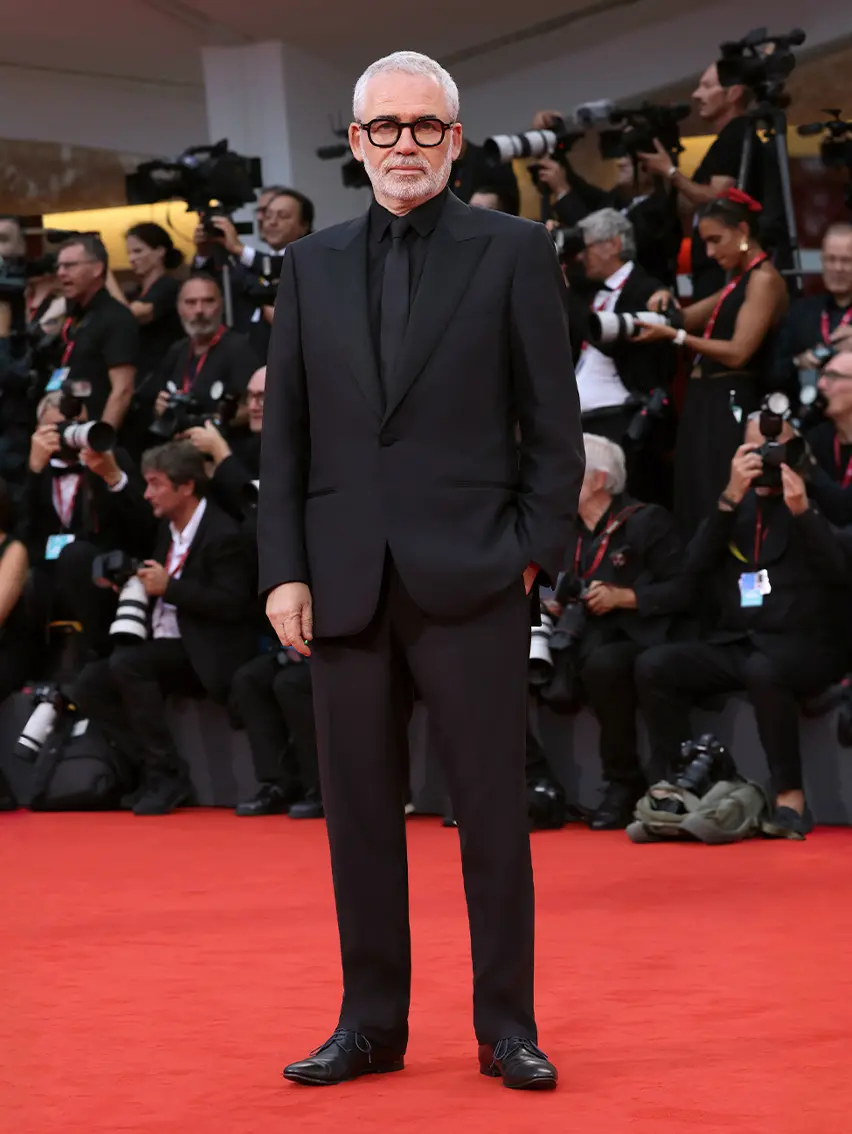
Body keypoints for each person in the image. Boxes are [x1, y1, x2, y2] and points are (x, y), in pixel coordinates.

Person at [259, 50, 582, 1090]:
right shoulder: (306, 267)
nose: (405, 144)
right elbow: (288, 443)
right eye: (385, 128)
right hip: (344, 579)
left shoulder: (515, 251)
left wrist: (531, 555)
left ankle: (506, 1028)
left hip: (474, 577)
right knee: (358, 819)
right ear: (356, 144)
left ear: (455, 138)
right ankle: (370, 1026)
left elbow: (554, 426)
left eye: (424, 127)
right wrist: (284, 570)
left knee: (491, 813)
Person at [635, 417, 852, 839]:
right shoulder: (734, 506)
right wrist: (728, 500)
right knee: (655, 664)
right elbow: (691, 572)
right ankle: (677, 784)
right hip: (740, 641)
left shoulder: (817, 502)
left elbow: (839, 574)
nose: (767, 459)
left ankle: (790, 795)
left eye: (778, 449)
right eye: (756, 451)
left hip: (806, 647)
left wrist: (804, 512)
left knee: (762, 669)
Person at [72, 441, 257, 816]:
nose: (147, 494)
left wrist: (170, 588)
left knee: (129, 664)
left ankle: (169, 774)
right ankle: (149, 770)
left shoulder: (223, 533)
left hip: (207, 653)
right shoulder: (166, 531)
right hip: (166, 645)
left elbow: (234, 603)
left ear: (186, 486)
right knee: (89, 682)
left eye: (155, 484)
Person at [543, 435, 685, 829]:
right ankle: (530, 782)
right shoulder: (563, 531)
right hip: (573, 636)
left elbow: (684, 589)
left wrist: (626, 596)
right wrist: (547, 602)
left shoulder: (647, 521)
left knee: (605, 664)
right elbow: (542, 582)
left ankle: (623, 782)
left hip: (633, 637)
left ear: (600, 479)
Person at [635, 190, 788, 537]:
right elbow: (684, 318)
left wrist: (674, 337)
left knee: (715, 492)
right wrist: (664, 297)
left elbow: (738, 351)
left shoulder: (764, 279)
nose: (710, 252)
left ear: (743, 231)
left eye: (716, 240)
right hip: (706, 398)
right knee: (693, 494)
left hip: (731, 397)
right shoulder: (740, 280)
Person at [22, 391, 155, 660]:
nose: (70, 434)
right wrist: (33, 471)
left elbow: (145, 526)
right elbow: (22, 532)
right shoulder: (38, 467)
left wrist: (113, 477)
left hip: (100, 573)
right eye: (60, 427)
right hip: (45, 576)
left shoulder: (110, 457)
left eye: (77, 425)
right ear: (39, 431)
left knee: (77, 557)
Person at [568, 209, 675, 503]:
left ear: (613, 244)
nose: (580, 256)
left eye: (585, 247)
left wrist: (566, 293)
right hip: (581, 420)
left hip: (621, 419)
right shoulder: (588, 290)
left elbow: (615, 344)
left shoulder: (648, 290)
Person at [638, 63, 754, 300]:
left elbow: (718, 197)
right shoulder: (724, 139)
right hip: (708, 265)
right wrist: (665, 172)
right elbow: (686, 205)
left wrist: (670, 171)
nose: (696, 94)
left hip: (723, 268)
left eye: (707, 86)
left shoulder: (737, 133)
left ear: (734, 93)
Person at [149, 275, 257, 434]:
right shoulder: (177, 350)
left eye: (208, 301)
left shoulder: (239, 348)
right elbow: (162, 399)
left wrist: (212, 422)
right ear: (179, 308)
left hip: (226, 447)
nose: (199, 310)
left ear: (221, 305)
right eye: (191, 303)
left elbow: (257, 407)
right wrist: (161, 409)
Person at [54, 235, 139, 429]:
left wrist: (100, 442)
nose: (61, 273)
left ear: (97, 269)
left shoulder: (116, 317)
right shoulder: (75, 315)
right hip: (70, 429)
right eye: (58, 266)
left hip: (98, 436)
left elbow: (123, 389)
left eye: (69, 266)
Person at [772, 223, 852, 396]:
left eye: (846, 260)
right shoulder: (800, 312)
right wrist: (798, 362)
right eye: (831, 259)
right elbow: (770, 373)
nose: (838, 268)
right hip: (810, 415)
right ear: (822, 261)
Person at [183, 365, 264, 521]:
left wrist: (219, 451)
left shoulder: (303, 447)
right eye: (250, 396)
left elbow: (257, 505)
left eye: (262, 397)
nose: (252, 407)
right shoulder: (252, 447)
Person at [802, 352, 852, 525]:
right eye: (821, 375)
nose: (820, 385)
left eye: (832, 376)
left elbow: (845, 512)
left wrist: (807, 466)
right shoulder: (818, 437)